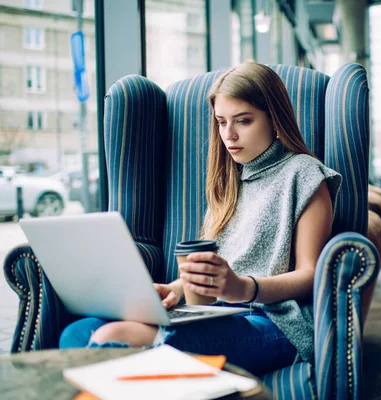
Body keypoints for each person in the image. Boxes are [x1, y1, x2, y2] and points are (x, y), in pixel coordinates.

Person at [59, 61, 342, 377]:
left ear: (274, 118)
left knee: (113, 338)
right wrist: (175, 289)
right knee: (79, 332)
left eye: (243, 121)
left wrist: (243, 288)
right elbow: (214, 274)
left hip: (272, 324)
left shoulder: (304, 174)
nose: (229, 135)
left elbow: (311, 275)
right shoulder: (228, 182)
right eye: (221, 122)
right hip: (213, 314)